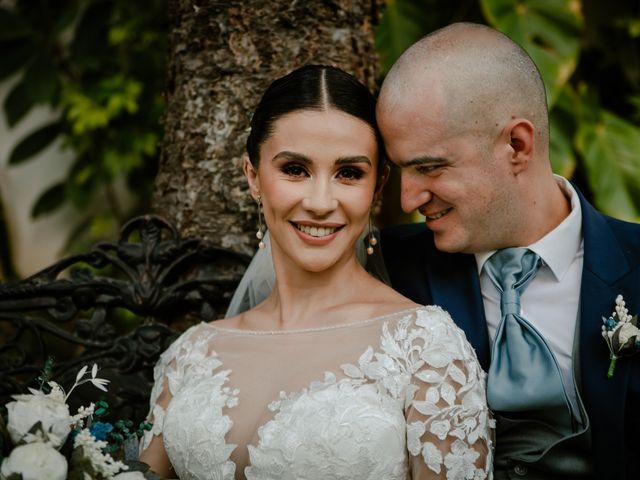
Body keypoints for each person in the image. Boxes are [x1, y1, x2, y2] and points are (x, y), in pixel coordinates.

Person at [138, 65, 493, 479]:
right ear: (253, 177)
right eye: (294, 169)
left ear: (377, 187)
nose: (321, 202)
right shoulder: (192, 354)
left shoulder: (425, 349)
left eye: (349, 173)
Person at [377, 22, 640, 479]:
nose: (408, 199)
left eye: (430, 167)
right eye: (401, 170)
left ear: (517, 146)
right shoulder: (386, 269)